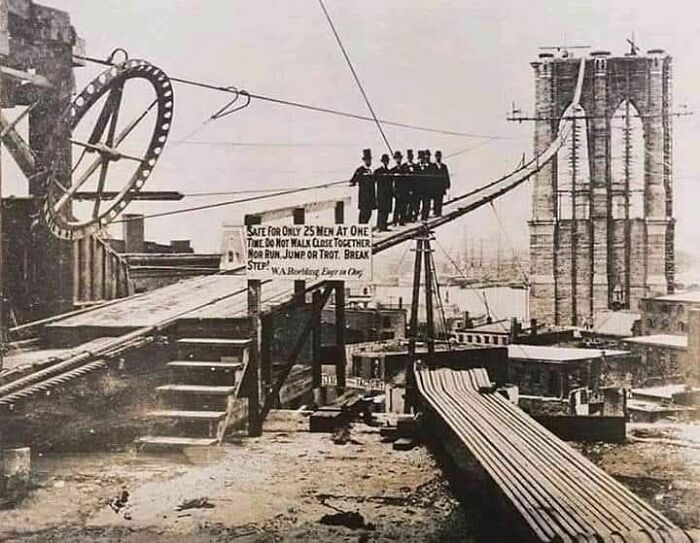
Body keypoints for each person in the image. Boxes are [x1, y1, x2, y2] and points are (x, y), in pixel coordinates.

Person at [350, 148, 375, 224]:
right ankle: (361, 228)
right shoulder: (360, 170)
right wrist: (354, 181)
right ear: (364, 160)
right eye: (367, 160)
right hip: (364, 196)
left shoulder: (371, 171)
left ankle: (365, 227)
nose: (369, 161)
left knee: (369, 214)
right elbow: (353, 180)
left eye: (369, 160)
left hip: (371, 196)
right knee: (363, 214)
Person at [374, 153, 393, 231]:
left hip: (388, 194)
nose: (386, 162)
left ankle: (384, 225)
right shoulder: (378, 171)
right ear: (382, 162)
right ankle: (379, 226)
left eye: (387, 161)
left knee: (387, 210)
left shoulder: (389, 171)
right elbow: (373, 179)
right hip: (381, 194)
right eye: (384, 161)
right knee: (381, 210)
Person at [390, 150, 408, 225]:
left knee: (404, 206)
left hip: (404, 190)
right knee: (397, 207)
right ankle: (395, 221)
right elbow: (391, 181)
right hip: (397, 191)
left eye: (399, 158)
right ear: (395, 159)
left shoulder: (404, 169)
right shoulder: (393, 170)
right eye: (397, 158)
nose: (398, 160)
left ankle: (402, 221)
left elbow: (408, 180)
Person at [433, 150, 450, 216]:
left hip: (441, 187)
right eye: (437, 156)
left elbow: (446, 176)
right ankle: (435, 212)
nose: (438, 158)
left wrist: (447, 186)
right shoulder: (433, 166)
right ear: (435, 157)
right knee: (435, 200)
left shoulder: (444, 166)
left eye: (439, 156)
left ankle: (439, 212)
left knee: (440, 200)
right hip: (435, 187)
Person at [405, 149, 419, 222]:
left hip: (415, 189)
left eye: (411, 157)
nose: (410, 158)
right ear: (407, 158)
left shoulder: (416, 166)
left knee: (414, 204)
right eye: (409, 157)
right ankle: (406, 218)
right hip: (407, 190)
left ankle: (413, 217)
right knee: (407, 204)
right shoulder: (404, 166)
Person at [419, 149, 433, 221]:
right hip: (419, 189)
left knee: (427, 203)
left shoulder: (429, 167)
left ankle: (425, 216)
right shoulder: (417, 167)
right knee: (417, 204)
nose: (423, 159)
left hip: (427, 189)